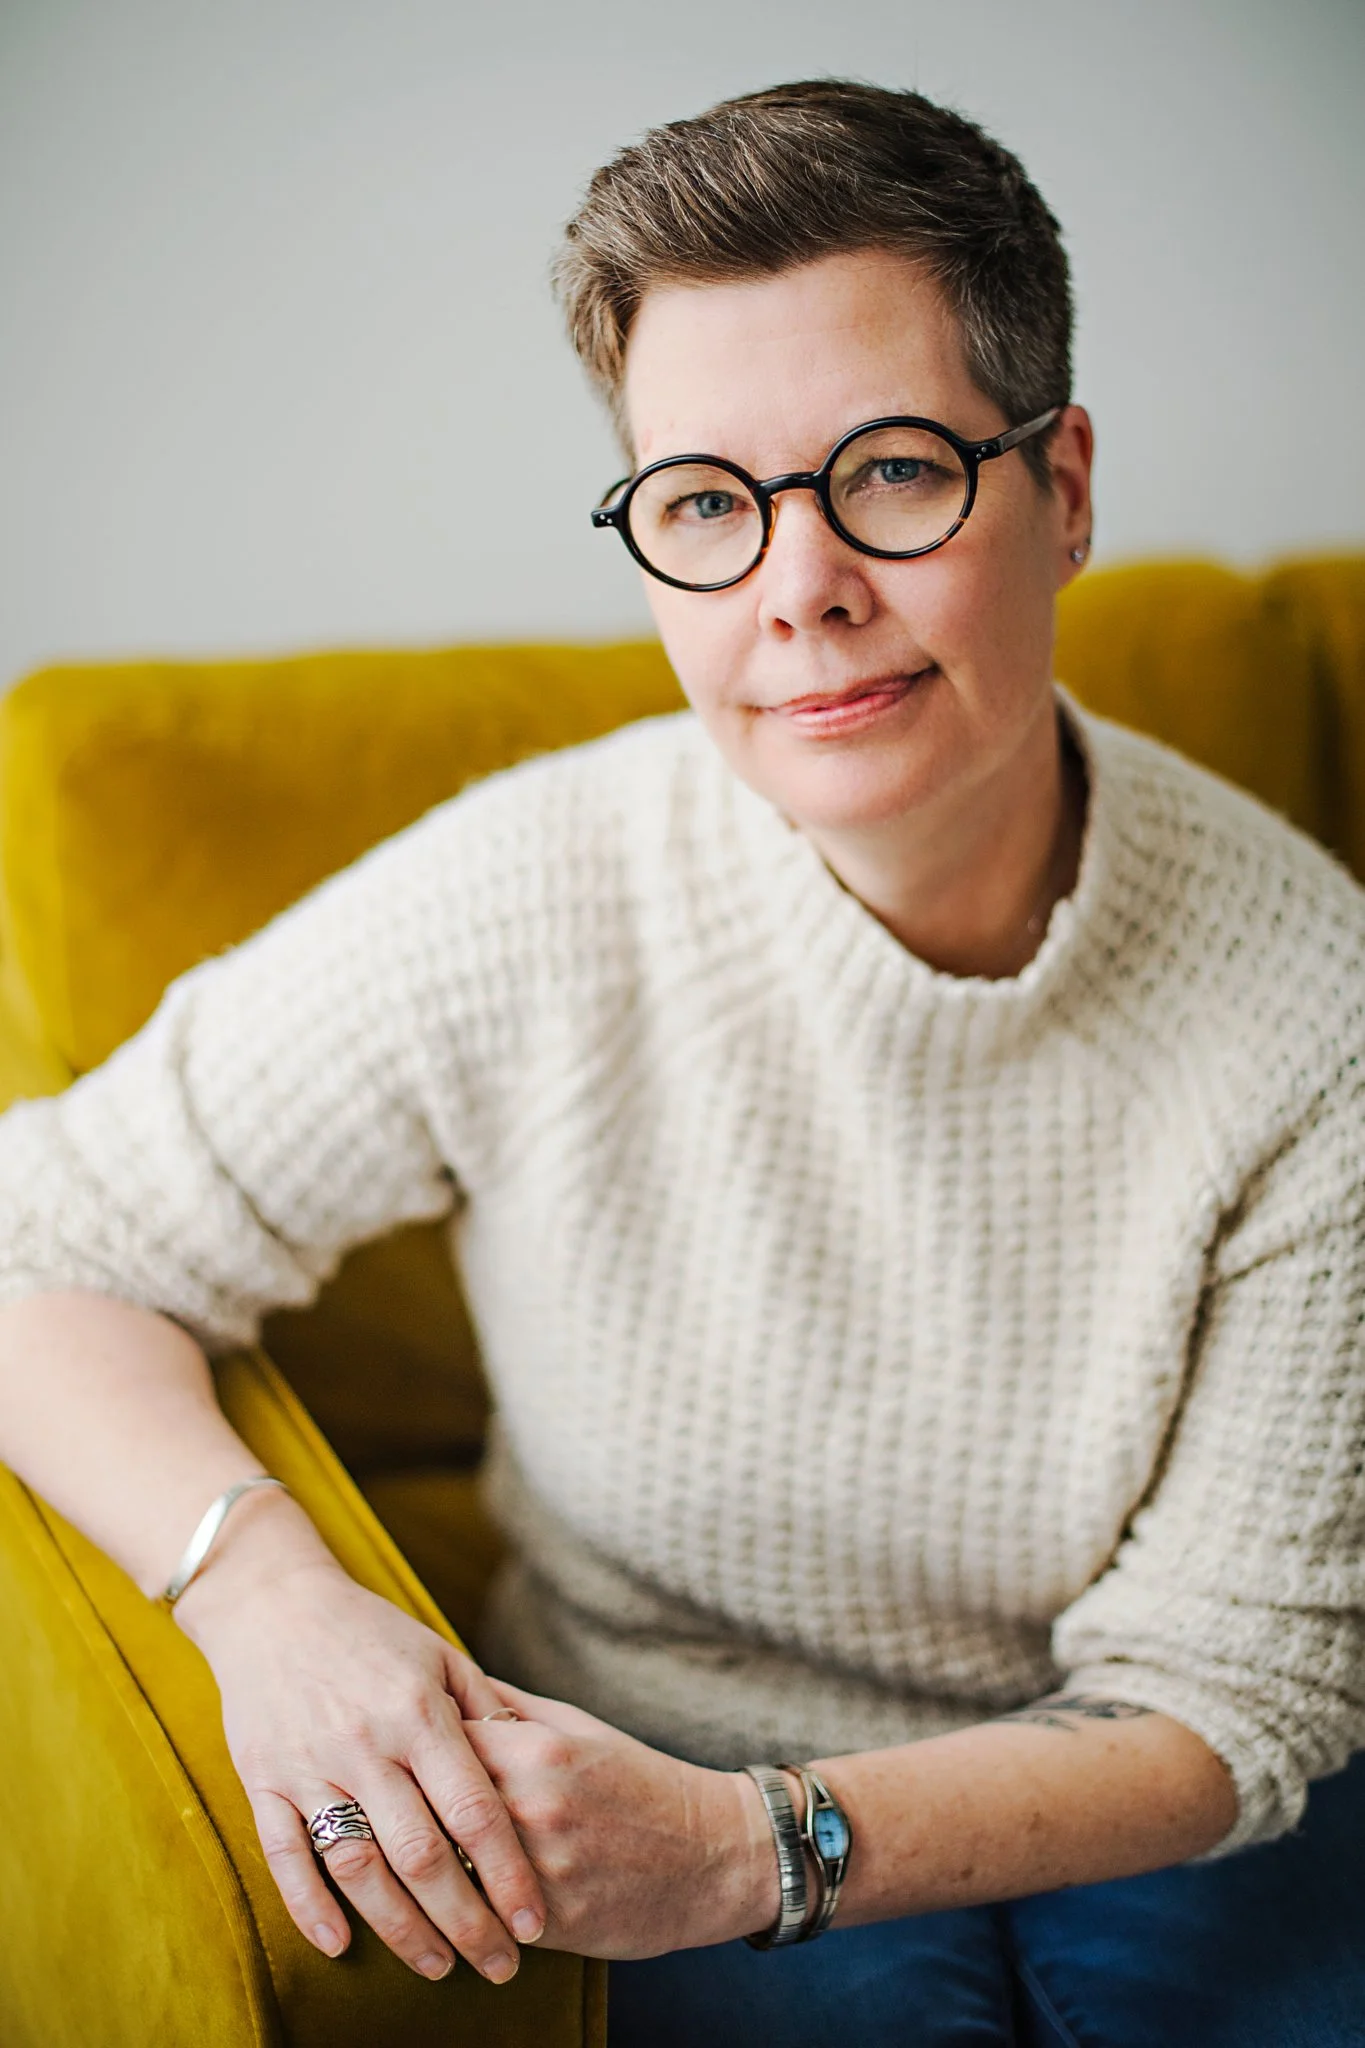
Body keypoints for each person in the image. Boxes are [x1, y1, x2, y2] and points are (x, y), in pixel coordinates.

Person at [1, 78, 1363, 2047]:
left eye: (890, 471)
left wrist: (760, 1850)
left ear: (1059, 484)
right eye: (707, 504)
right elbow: (45, 1237)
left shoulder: (1310, 1010)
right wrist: (265, 1591)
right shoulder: (531, 892)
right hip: (646, 1749)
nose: (796, 587)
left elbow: (1234, 1698)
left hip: (1152, 1806)